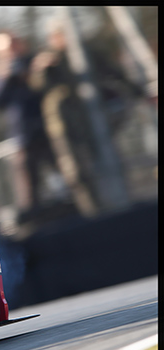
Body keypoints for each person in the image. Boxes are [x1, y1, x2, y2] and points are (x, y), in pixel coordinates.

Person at [28, 18, 144, 216]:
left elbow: (114, 74)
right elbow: (38, 87)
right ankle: (91, 212)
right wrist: (43, 69)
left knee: (109, 160)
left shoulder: (89, 54)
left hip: (94, 119)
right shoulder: (49, 60)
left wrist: (138, 92)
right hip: (65, 125)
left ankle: (121, 205)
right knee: (77, 172)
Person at [0, 30, 58, 221]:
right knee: (28, 188)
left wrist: (40, 68)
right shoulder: (3, 73)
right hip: (23, 135)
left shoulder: (36, 61)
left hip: (50, 129)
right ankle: (34, 222)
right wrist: (4, 77)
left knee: (65, 173)